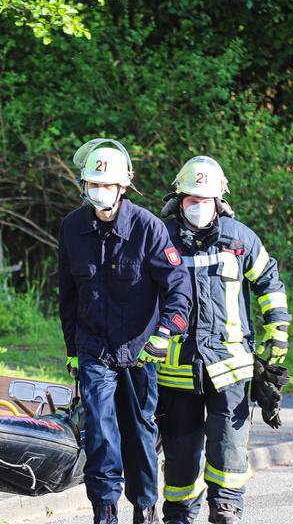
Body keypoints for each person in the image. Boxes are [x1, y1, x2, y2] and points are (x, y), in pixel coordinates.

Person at [58, 139, 193, 524]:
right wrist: (72, 348)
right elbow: (67, 294)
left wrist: (166, 333)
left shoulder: (147, 228)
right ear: (84, 186)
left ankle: (145, 507)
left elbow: (178, 288)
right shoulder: (71, 229)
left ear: (123, 187)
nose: (99, 191)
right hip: (93, 348)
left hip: (140, 350)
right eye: (93, 184)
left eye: (107, 185)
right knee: (99, 433)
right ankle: (104, 511)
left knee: (138, 434)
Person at [155, 156, 293, 524]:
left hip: (230, 368)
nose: (197, 207)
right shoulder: (160, 239)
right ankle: (179, 515)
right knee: (181, 454)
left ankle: (227, 509)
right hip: (176, 369)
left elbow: (269, 284)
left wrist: (276, 335)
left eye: (205, 199)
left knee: (229, 448)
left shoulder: (240, 239)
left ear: (219, 201)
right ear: (178, 200)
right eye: (190, 199)